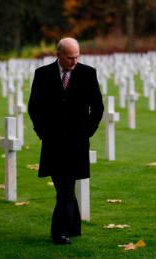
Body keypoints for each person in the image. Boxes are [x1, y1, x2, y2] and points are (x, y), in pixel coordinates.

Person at [28, 37, 104, 245]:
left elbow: (97, 107)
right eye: (70, 57)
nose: (74, 61)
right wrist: (43, 132)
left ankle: (58, 232)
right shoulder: (42, 75)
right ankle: (73, 227)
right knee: (64, 188)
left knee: (66, 188)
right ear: (58, 55)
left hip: (76, 143)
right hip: (52, 143)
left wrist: (87, 131)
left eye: (77, 57)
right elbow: (34, 107)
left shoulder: (88, 74)